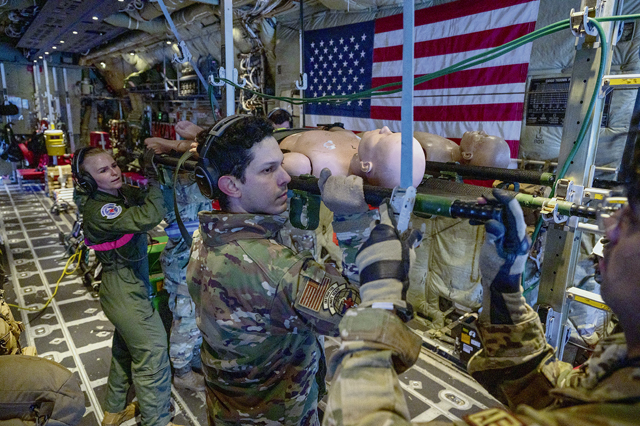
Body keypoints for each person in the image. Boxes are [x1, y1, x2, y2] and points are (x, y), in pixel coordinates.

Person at [321, 157, 640, 425]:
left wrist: (379, 306)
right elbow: (558, 396)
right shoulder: (623, 369)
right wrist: (504, 292)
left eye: (632, 220)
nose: (609, 228)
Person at [185, 115, 380, 426]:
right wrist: (354, 225)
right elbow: (369, 321)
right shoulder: (279, 272)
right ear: (231, 185)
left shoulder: (205, 236)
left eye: (281, 164)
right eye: (268, 170)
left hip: (228, 410)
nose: (286, 177)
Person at [72, 147, 176, 426]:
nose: (114, 172)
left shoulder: (115, 195)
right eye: (103, 170)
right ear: (88, 181)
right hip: (122, 288)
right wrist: (153, 176)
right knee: (153, 351)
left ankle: (114, 410)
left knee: (125, 350)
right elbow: (148, 216)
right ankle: (157, 421)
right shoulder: (101, 209)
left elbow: (141, 199)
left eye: (114, 165)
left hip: (129, 285)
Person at [145, 135, 211, 392]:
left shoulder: (183, 183)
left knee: (196, 317)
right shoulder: (179, 184)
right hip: (184, 264)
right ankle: (182, 372)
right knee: (186, 320)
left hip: (190, 260)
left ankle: (192, 359)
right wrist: (174, 146)